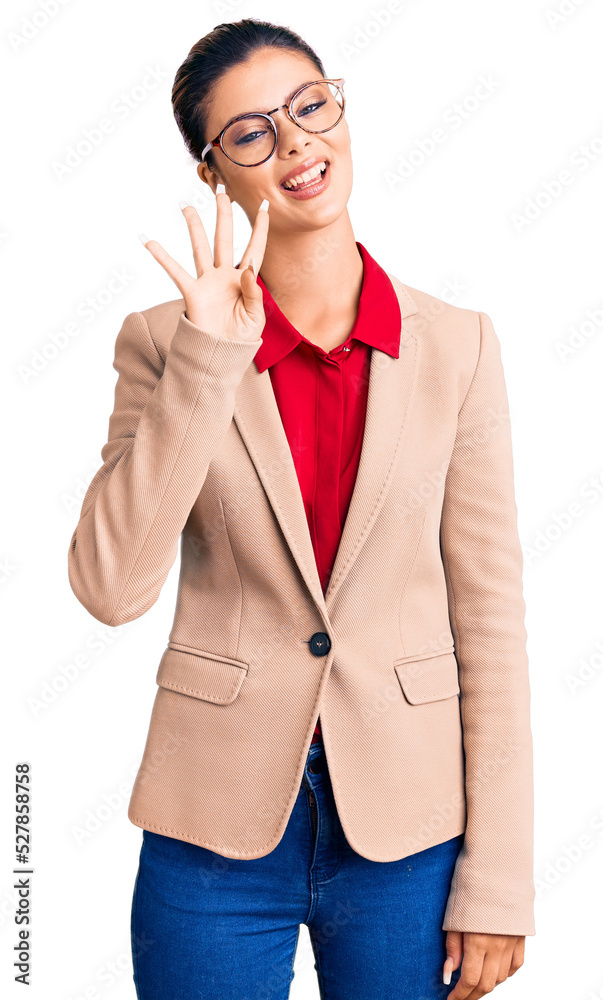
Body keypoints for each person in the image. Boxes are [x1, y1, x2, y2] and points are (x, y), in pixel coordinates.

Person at [67, 17, 536, 1000]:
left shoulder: (459, 346)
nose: (295, 145)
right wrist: (207, 359)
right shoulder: (162, 344)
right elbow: (111, 588)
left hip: (409, 831)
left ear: (339, 107)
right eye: (250, 132)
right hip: (213, 829)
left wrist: (501, 881)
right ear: (212, 172)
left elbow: (490, 618)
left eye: (310, 106)